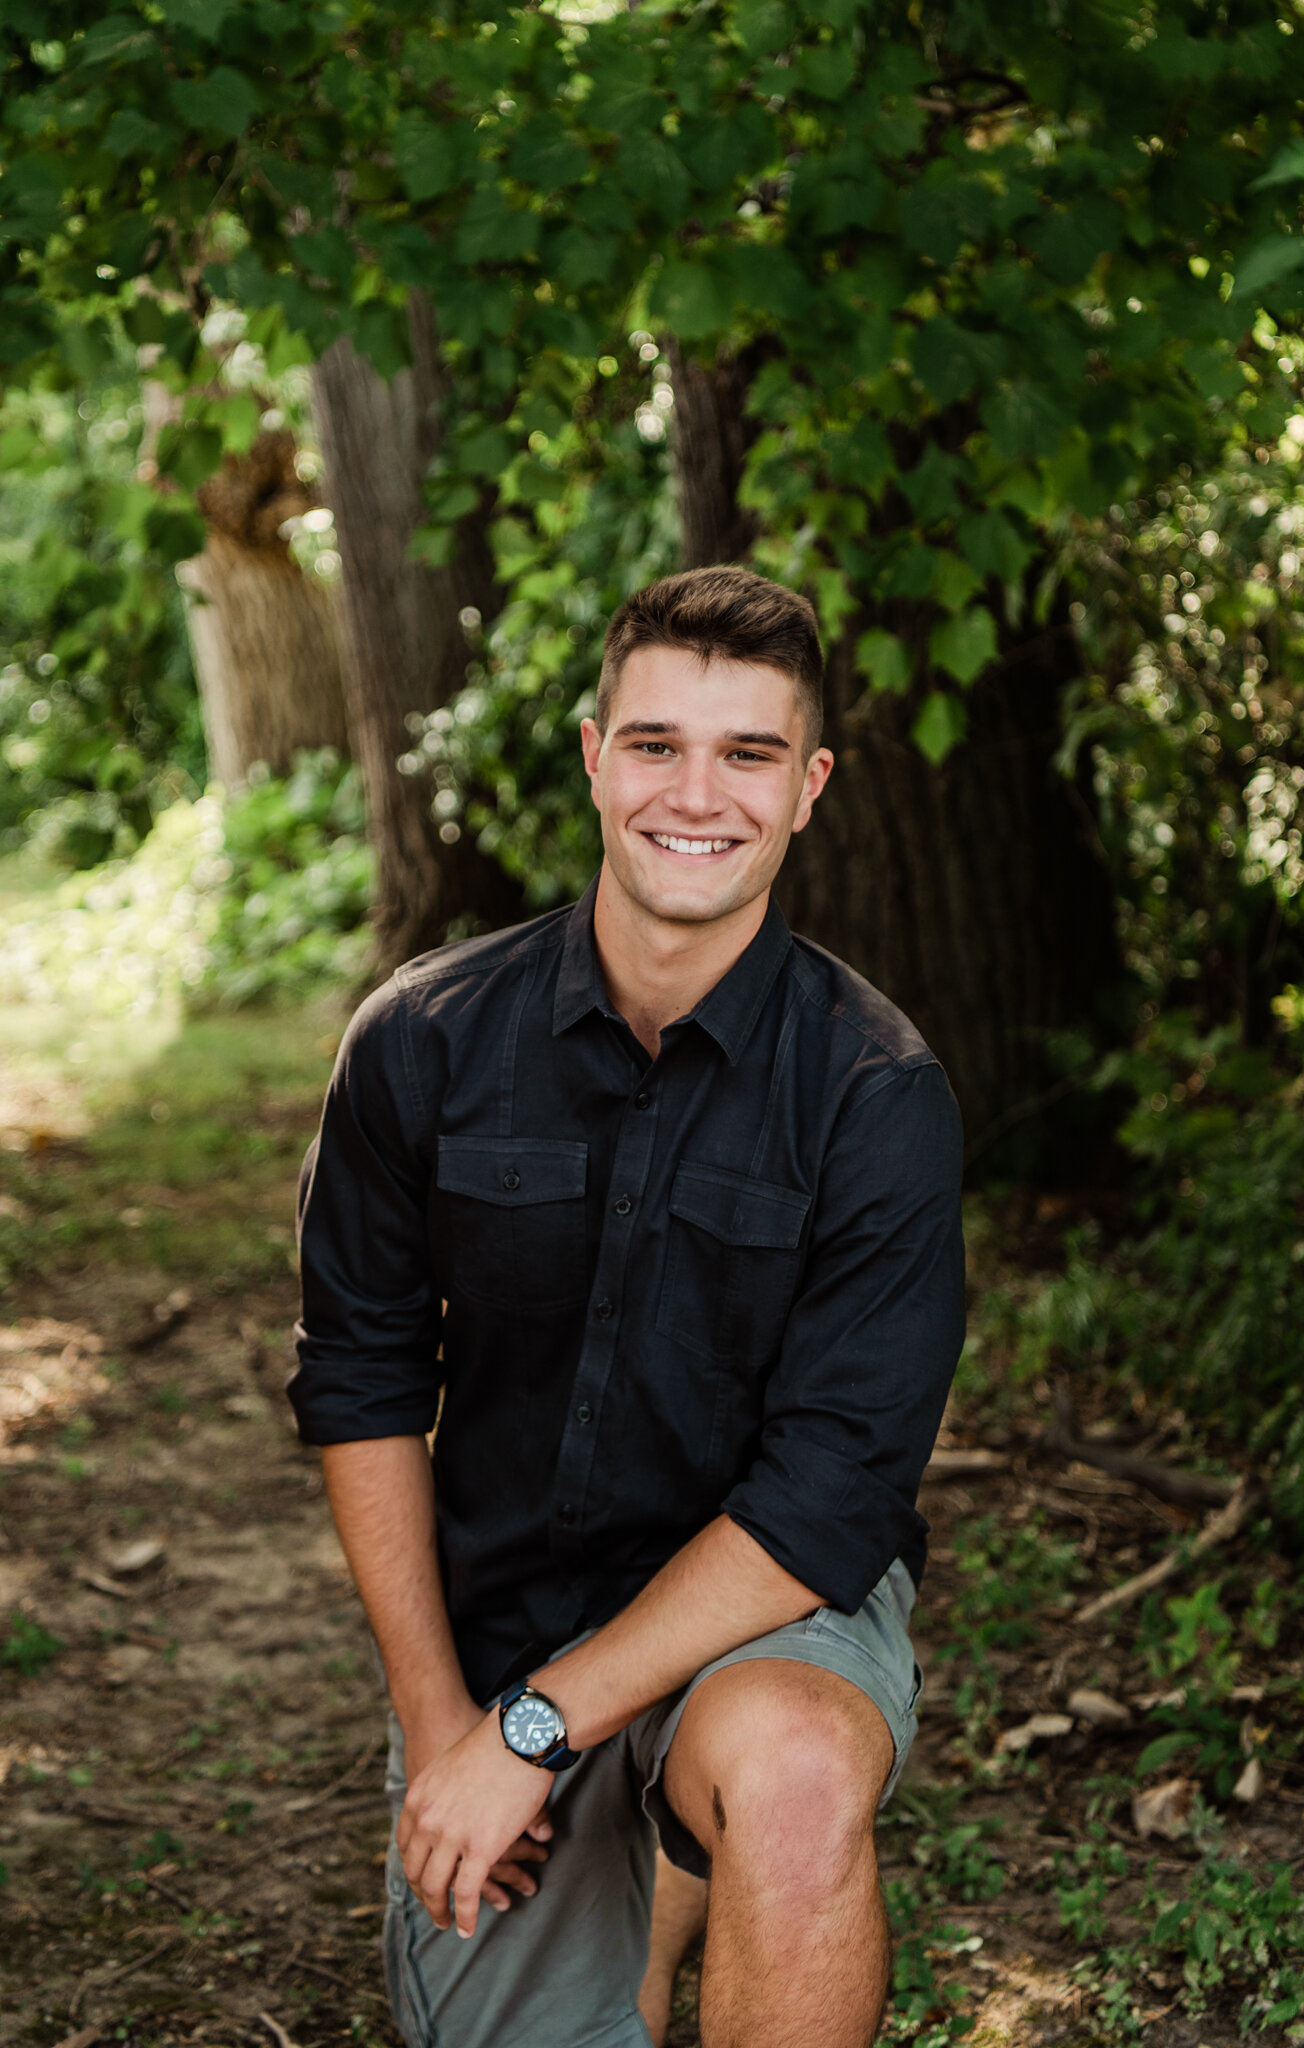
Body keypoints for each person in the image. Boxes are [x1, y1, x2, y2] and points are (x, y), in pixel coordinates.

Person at [289, 565, 965, 2048]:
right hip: (499, 1624)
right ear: (596, 758)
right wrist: (450, 1729)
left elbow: (829, 1494)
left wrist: (543, 1728)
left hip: (760, 1618)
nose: (696, 794)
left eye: (750, 755)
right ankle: (656, 1850)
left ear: (811, 789)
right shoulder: (421, 1043)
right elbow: (364, 1383)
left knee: (786, 1777)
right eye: (657, 744)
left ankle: (696, 1813)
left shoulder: (875, 1095)